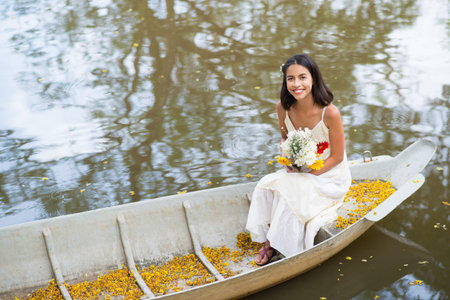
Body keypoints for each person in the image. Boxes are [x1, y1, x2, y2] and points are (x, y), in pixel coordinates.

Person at [245, 54, 351, 265]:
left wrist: (309, 175)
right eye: (290, 78)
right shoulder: (282, 108)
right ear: (285, 82)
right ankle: (274, 234)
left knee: (291, 192)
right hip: (298, 170)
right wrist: (291, 161)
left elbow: (338, 157)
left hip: (329, 175)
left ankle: (270, 244)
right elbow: (285, 138)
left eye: (302, 77)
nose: (296, 84)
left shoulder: (330, 113)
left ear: (313, 79)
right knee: (265, 185)